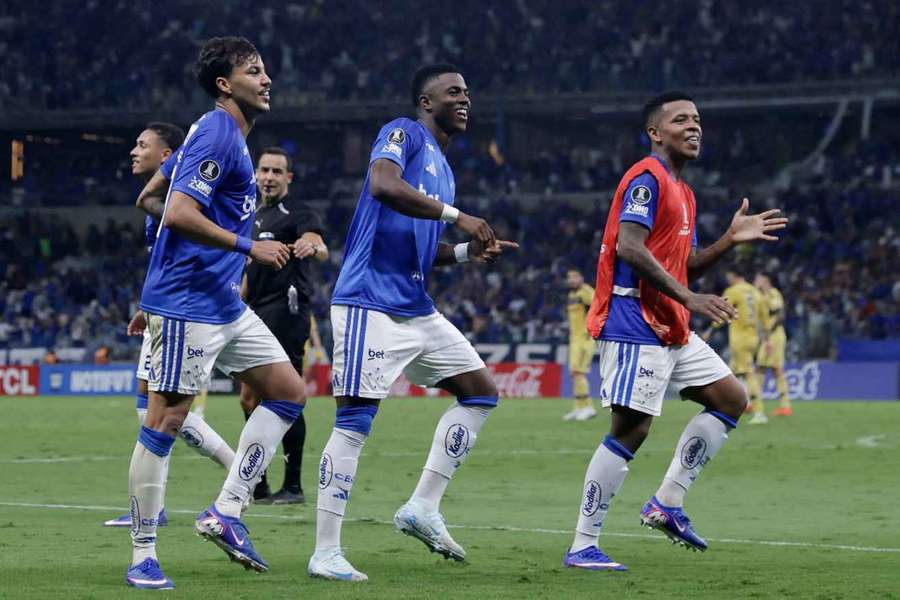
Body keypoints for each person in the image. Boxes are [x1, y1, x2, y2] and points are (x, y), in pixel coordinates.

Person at [307, 64, 518, 582]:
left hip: (414, 306)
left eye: (468, 91)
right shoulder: (402, 132)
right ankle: (325, 551)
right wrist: (456, 215)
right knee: (354, 423)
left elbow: (423, 249)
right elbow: (382, 184)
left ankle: (422, 506)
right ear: (426, 101)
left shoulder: (443, 168)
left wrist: (468, 251)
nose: (465, 98)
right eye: (454, 92)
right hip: (368, 302)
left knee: (481, 392)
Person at [565, 91, 787, 572]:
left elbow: (682, 267)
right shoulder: (646, 178)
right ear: (655, 132)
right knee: (632, 429)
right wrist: (688, 298)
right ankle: (583, 544)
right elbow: (629, 247)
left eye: (698, 120)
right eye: (681, 120)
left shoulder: (683, 191)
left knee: (731, 398)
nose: (694, 127)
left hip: (670, 321)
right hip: (633, 320)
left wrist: (729, 240)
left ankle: (667, 501)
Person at [125, 37, 306, 589]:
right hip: (189, 304)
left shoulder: (226, 136)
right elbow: (176, 211)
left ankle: (227, 511)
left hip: (221, 300)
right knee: (165, 422)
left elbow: (152, 195)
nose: (267, 78)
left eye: (265, 68)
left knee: (289, 393)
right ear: (226, 84)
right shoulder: (218, 131)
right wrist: (245, 246)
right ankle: (142, 555)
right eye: (254, 71)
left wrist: (153, 287)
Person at [104, 122, 235, 529]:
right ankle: (154, 506)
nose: (132, 150)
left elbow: (197, 252)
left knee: (163, 413)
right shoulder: (161, 203)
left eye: (142, 144)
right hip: (164, 308)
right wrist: (147, 304)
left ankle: (237, 471)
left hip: (185, 312)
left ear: (167, 156)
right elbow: (166, 260)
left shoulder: (184, 201)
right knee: (151, 409)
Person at [239, 146, 328, 505]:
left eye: (278, 171)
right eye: (265, 170)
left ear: (288, 178)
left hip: (286, 313)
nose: (270, 177)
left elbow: (317, 243)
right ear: (257, 174)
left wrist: (312, 247)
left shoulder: (298, 213)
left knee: (286, 395)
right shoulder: (252, 215)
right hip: (254, 313)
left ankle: (292, 485)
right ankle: (258, 483)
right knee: (248, 397)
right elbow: (248, 274)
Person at [722, 269, 768, 425]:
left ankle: (760, 412)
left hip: (739, 339)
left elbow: (722, 311)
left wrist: (711, 329)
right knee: (730, 373)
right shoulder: (756, 292)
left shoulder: (733, 291)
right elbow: (764, 316)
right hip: (754, 338)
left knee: (748, 374)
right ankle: (727, 406)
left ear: (732, 275)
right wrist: (766, 338)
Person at [562, 268, 598, 421]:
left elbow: (598, 310)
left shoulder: (587, 292)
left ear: (581, 278)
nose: (571, 280)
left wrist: (589, 333)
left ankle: (589, 407)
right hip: (574, 339)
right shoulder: (572, 294)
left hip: (584, 339)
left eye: (574, 277)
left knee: (579, 373)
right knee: (574, 373)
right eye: (569, 277)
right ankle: (579, 407)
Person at [755, 272, 792, 416]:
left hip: (775, 335)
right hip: (766, 337)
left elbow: (781, 314)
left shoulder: (773, 293)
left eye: (758, 278)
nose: (755, 280)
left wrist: (769, 330)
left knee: (776, 369)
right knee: (761, 368)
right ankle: (754, 401)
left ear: (765, 280)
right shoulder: (759, 296)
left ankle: (785, 405)